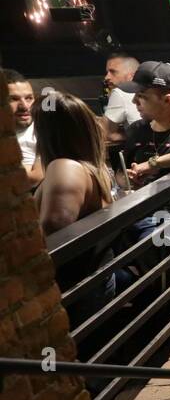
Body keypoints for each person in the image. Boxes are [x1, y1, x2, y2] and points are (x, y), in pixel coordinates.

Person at [34, 91, 118, 327]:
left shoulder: (64, 168)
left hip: (75, 289)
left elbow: (54, 229)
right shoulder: (92, 166)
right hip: (91, 281)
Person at [3, 70, 41, 188]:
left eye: (29, 98)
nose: (24, 106)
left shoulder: (45, 130)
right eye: (13, 99)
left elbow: (33, 178)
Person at [100, 52, 143, 142]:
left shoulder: (120, 92)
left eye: (113, 72)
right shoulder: (155, 90)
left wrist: (130, 134)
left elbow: (106, 134)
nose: (106, 77)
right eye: (107, 72)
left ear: (132, 76)